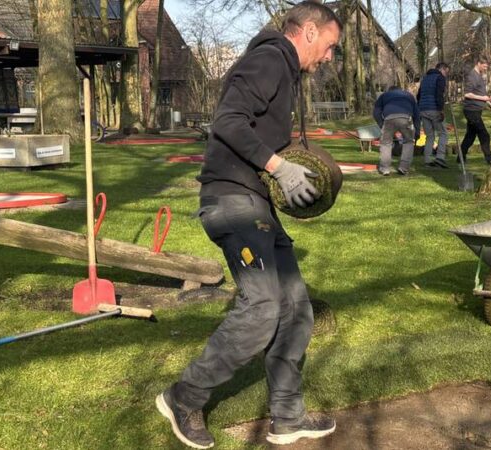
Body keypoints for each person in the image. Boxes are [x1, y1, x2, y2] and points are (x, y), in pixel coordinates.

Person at [155, 3, 341, 448]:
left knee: (295, 307)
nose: (331, 57)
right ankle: (184, 397)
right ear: (309, 31)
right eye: (331, 46)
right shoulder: (270, 59)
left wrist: (296, 173)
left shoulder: (285, 71)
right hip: (231, 202)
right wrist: (279, 166)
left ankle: (287, 417)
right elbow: (227, 122)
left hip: (257, 206)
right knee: (261, 307)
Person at [372, 86, 420, 176]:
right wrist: (417, 131)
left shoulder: (384, 95)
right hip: (406, 118)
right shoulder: (409, 95)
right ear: (400, 90)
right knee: (408, 142)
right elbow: (417, 114)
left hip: (389, 118)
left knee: (386, 143)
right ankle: (404, 168)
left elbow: (376, 112)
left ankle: (385, 169)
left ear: (389, 90)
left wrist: (381, 124)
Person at [460, 56, 491, 165]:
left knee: (470, 136)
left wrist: (488, 103)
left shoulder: (479, 76)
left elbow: (480, 94)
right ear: (478, 63)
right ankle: (490, 159)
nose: (485, 69)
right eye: (484, 66)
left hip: (476, 110)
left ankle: (460, 157)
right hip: (471, 111)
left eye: (486, 67)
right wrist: (483, 99)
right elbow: (467, 94)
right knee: (484, 135)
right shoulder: (472, 76)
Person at [416, 62, 450, 168]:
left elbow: (418, 95)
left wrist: (420, 107)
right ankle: (440, 157)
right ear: (442, 69)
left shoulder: (425, 79)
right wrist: (441, 110)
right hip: (434, 109)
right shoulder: (440, 78)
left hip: (423, 109)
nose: (446, 75)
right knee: (443, 133)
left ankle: (427, 159)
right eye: (446, 72)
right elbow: (439, 94)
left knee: (429, 135)